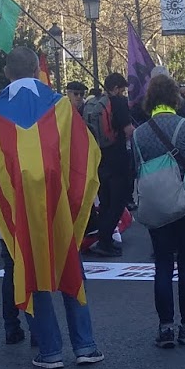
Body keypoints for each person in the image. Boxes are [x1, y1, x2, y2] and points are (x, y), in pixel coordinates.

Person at [0, 47, 104, 369]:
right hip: (58, 204)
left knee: (30, 269)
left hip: (21, 208)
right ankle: (85, 345)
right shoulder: (61, 105)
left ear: (6, 73)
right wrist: (75, 203)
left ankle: (50, 351)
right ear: (37, 70)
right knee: (69, 265)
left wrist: (10, 208)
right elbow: (83, 155)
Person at [133, 74, 185, 347]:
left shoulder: (139, 133)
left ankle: (165, 328)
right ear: (175, 98)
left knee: (162, 265)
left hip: (155, 204)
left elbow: (137, 168)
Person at [84, 73, 136, 258]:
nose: (123, 93)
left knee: (105, 202)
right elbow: (128, 130)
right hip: (117, 159)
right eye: (121, 89)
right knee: (118, 202)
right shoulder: (118, 103)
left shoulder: (93, 103)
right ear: (115, 88)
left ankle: (103, 239)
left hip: (100, 158)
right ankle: (105, 240)